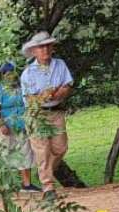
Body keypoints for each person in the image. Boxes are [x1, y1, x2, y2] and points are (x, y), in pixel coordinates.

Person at [20, 31, 74, 199]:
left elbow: (68, 85)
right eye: (41, 47)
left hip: (56, 111)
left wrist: (57, 94)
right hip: (36, 114)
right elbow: (29, 99)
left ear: (52, 48)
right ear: (34, 51)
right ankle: (48, 186)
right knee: (41, 150)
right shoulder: (28, 73)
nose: (45, 50)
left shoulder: (60, 64)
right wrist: (44, 96)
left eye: (47, 46)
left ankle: (44, 172)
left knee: (60, 148)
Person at [0, 62, 41, 192]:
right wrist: (1, 125)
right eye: (7, 73)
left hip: (21, 124)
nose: (11, 76)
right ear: (2, 75)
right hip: (3, 125)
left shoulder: (22, 87)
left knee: (25, 152)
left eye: (12, 72)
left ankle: (26, 184)